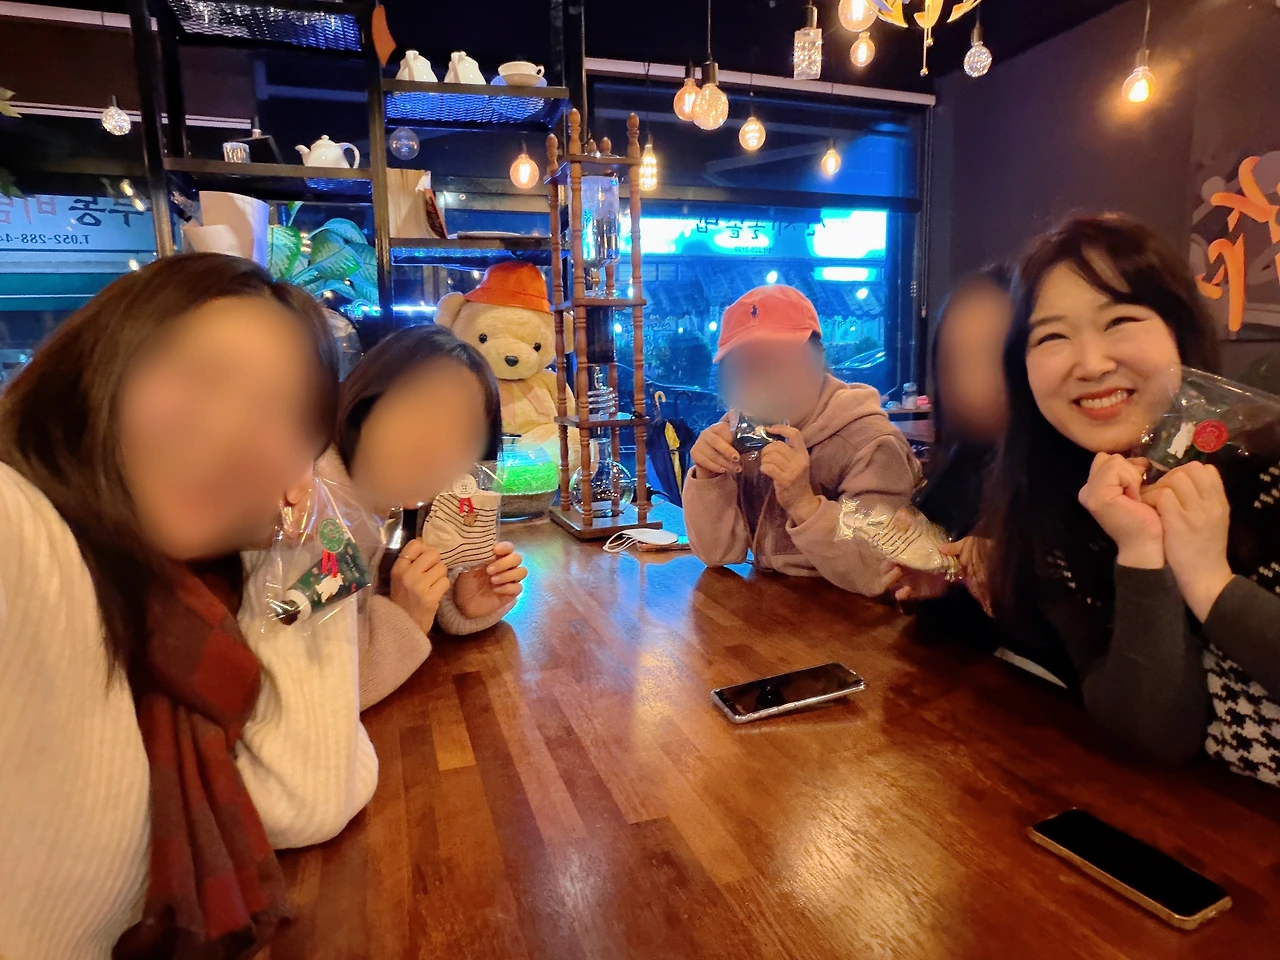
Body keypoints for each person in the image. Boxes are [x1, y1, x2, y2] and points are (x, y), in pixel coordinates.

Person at [0, 254, 377, 959]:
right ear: (99, 364)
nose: (231, 428)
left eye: (283, 414)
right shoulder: (28, 529)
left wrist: (291, 547)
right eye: (201, 375)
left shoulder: (203, 593)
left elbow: (311, 796)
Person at [983, 213, 1280, 776]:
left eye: (1119, 320)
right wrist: (1142, 553)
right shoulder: (1055, 507)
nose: (1092, 364)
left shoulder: (1267, 466)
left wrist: (1210, 583)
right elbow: (1156, 735)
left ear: (1179, 332)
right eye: (1051, 336)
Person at [325, 324, 528, 710]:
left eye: (464, 432)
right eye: (420, 409)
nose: (438, 446)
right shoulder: (319, 504)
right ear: (364, 403)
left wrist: (460, 602)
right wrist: (405, 616)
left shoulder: (388, 512)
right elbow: (314, 691)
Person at [683, 284, 917, 595]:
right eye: (745, 367)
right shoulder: (745, 432)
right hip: (773, 607)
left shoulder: (871, 442)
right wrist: (708, 477)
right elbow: (717, 554)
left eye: (777, 362)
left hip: (854, 615)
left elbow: (882, 570)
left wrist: (803, 503)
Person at [892, 266, 1014, 646]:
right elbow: (958, 630)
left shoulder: (1082, 476)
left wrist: (1011, 576)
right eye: (955, 362)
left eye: (996, 354)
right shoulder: (961, 464)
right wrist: (936, 586)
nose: (973, 383)